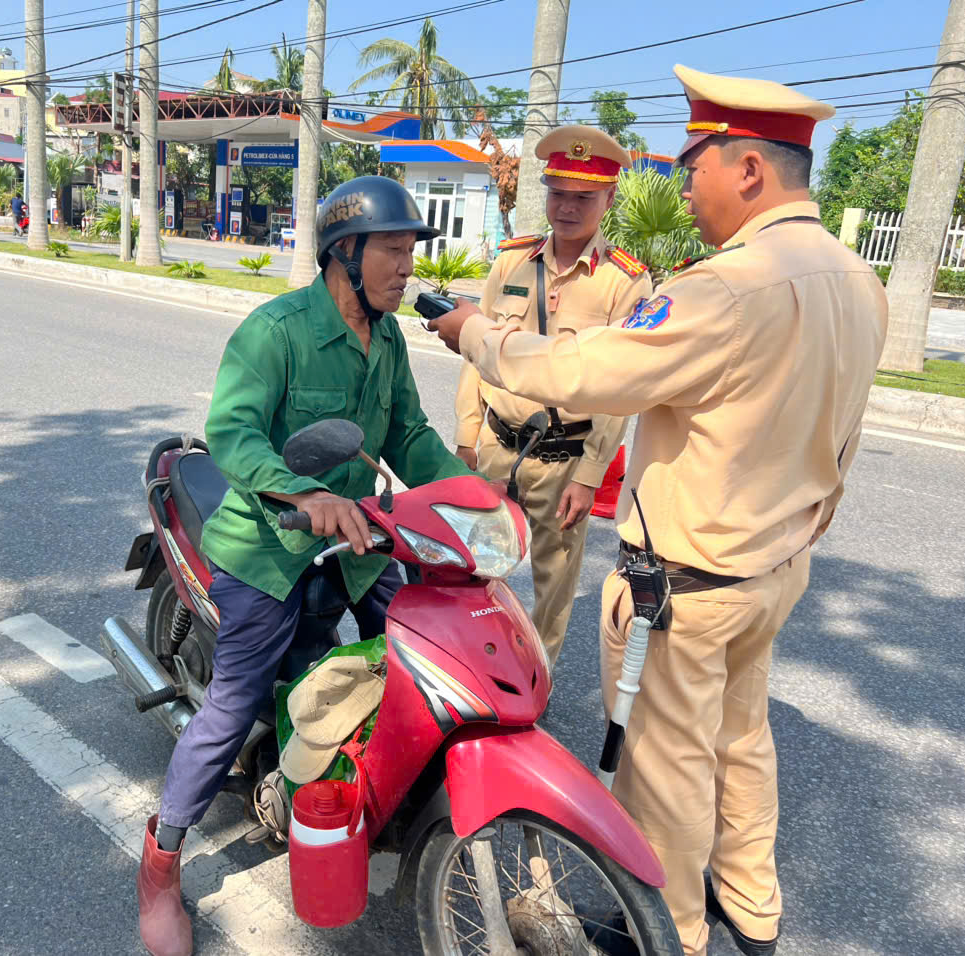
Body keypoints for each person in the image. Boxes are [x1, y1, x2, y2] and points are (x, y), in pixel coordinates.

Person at [429, 65, 888, 956]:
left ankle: (669, 931)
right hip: (773, 569)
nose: (684, 186)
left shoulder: (726, 288)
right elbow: (845, 435)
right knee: (741, 734)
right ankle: (750, 898)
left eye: (695, 166)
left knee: (668, 764)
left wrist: (473, 335)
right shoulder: (854, 279)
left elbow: (579, 375)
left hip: (686, 584)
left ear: (747, 169)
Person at [136, 175, 473, 956]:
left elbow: (412, 437)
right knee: (234, 701)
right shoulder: (277, 330)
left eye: (410, 251)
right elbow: (235, 432)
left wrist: (476, 498)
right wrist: (305, 490)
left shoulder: (384, 338)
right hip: (271, 545)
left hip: (356, 542)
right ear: (344, 253)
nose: (406, 268)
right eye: (393, 250)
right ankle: (160, 863)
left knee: (423, 650)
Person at [454, 125, 652, 665]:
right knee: (470, 566)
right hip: (496, 445)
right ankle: (469, 669)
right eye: (558, 193)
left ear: (608, 198)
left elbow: (620, 390)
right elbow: (480, 351)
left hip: (565, 460)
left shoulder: (625, 282)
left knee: (553, 588)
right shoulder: (511, 262)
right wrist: (466, 436)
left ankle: (532, 685)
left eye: (583, 197)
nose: (567, 208)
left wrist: (590, 476)